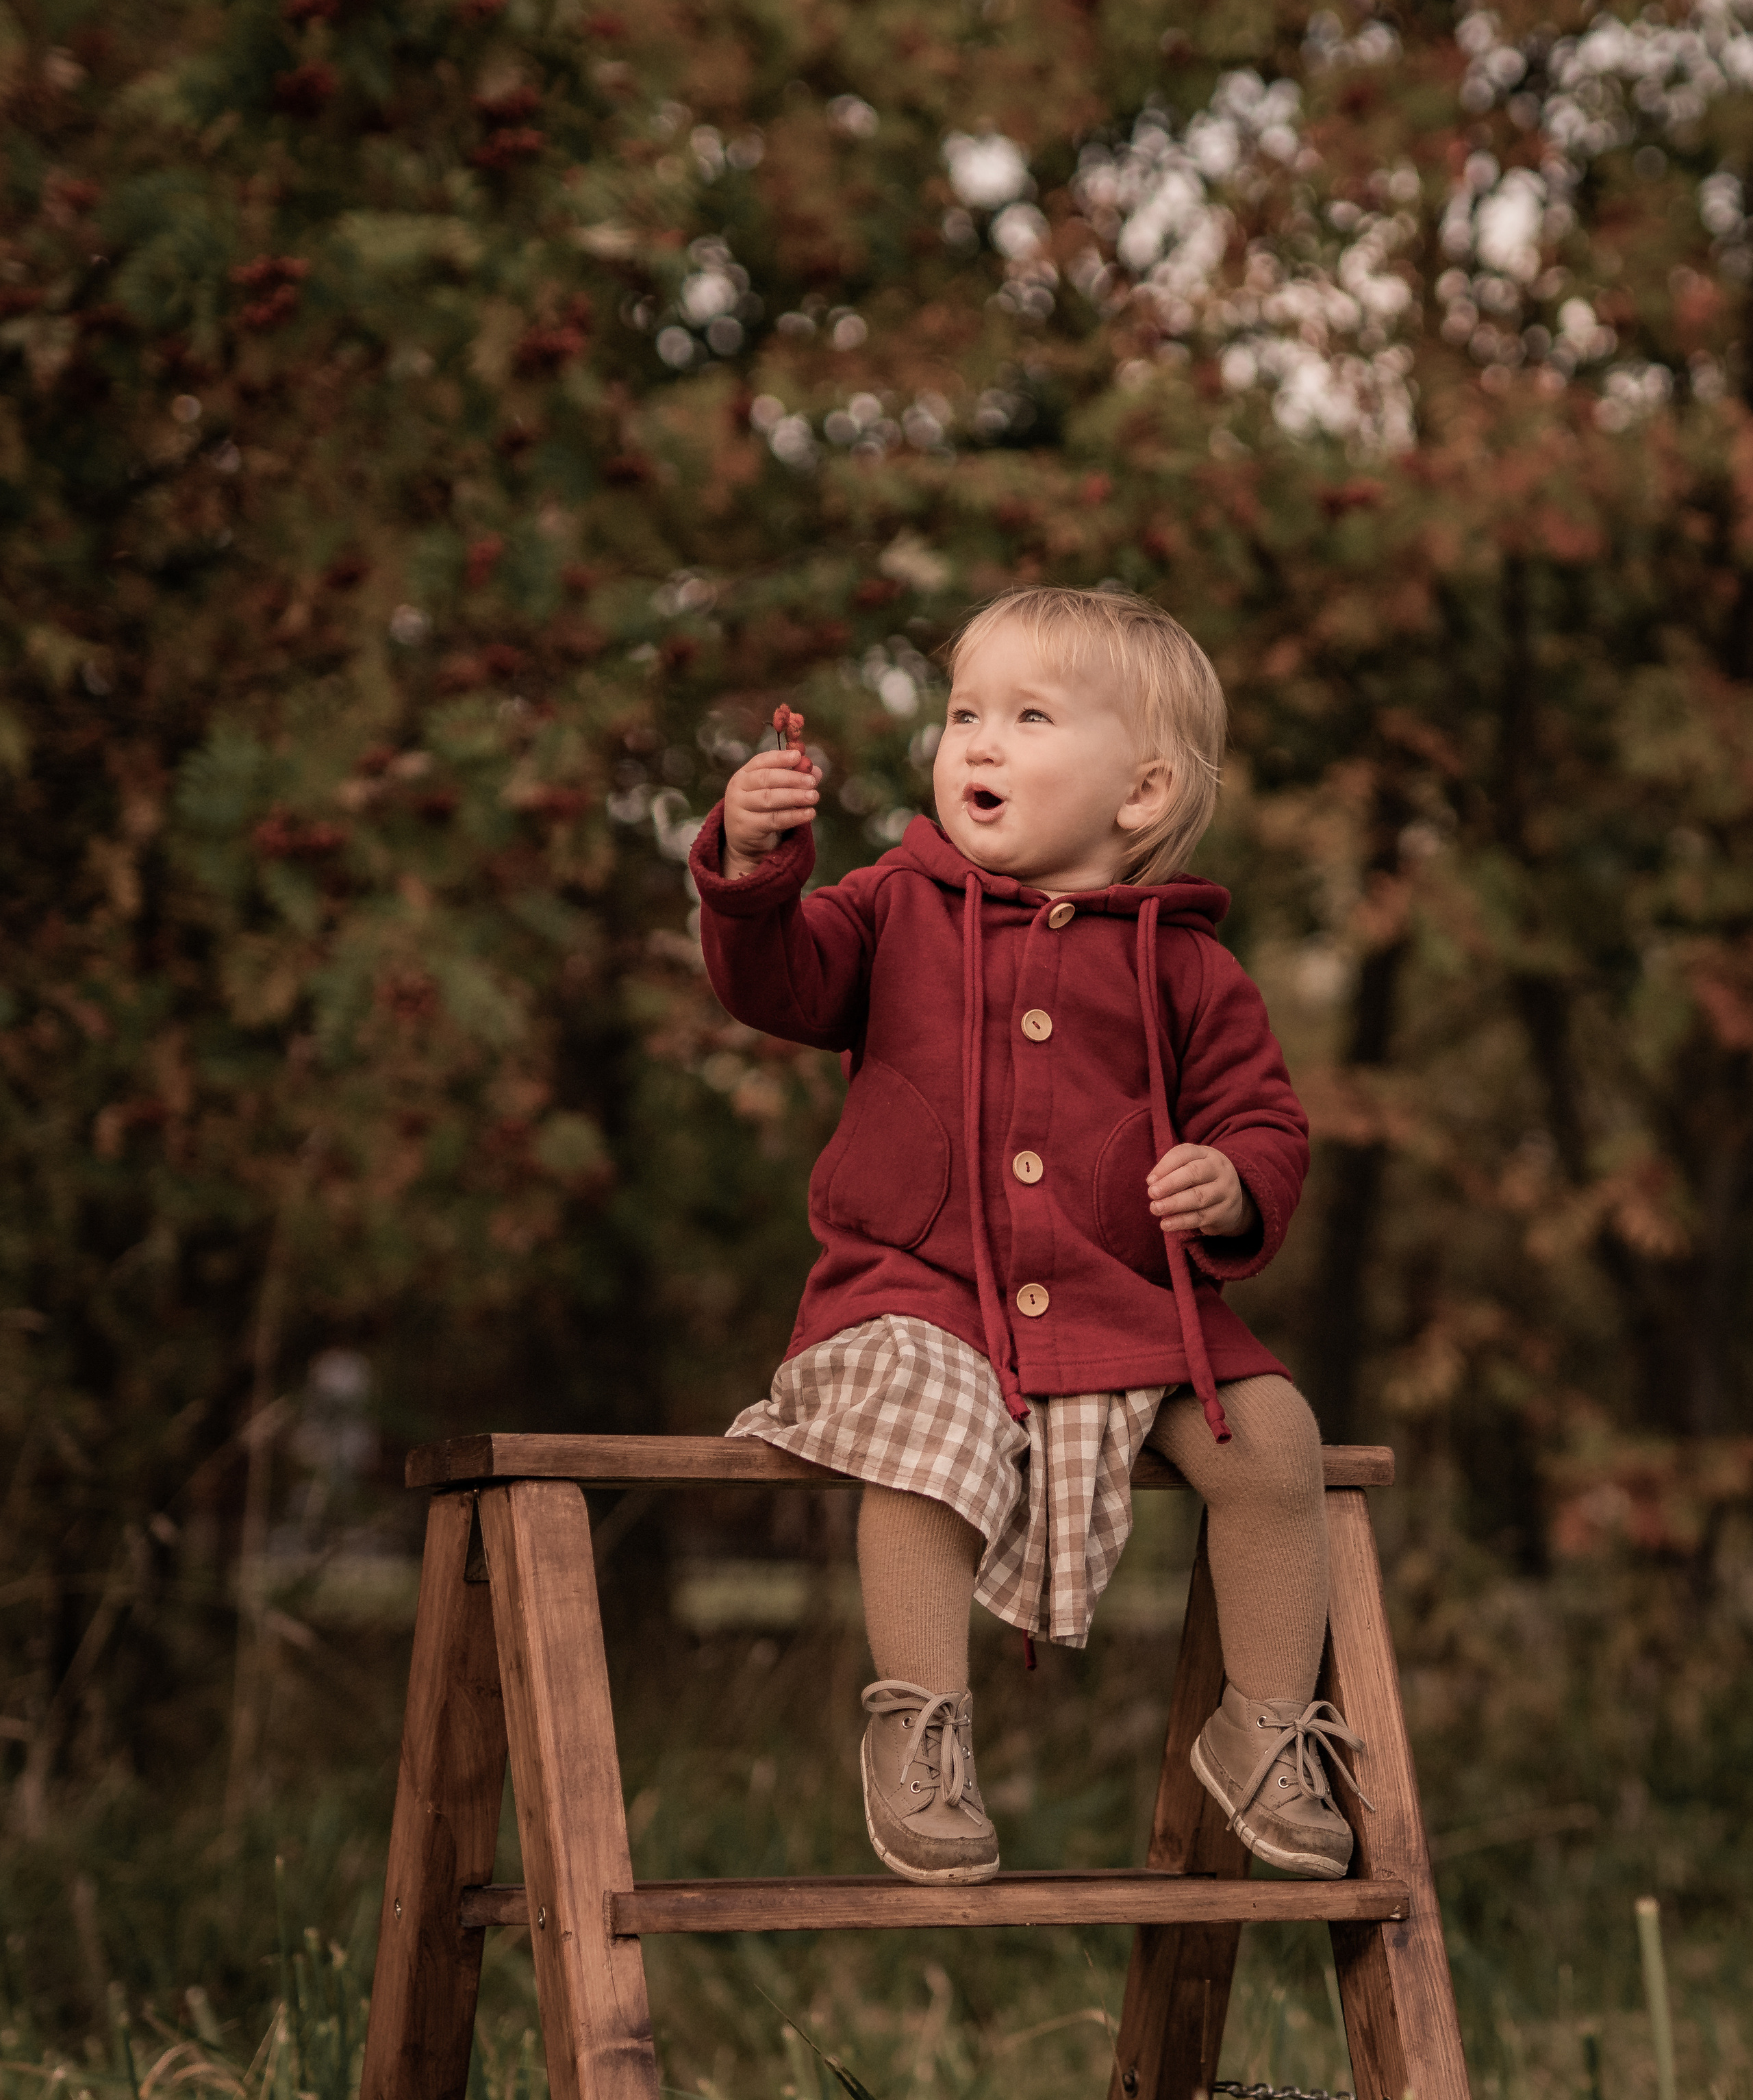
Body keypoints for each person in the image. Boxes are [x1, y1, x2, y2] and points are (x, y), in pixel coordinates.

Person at [686, 585, 1367, 1888]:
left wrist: (1229, 1181)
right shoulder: (895, 904)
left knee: (1276, 1436)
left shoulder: (1189, 966)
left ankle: (1265, 1728)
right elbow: (775, 981)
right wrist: (749, 862)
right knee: (925, 1429)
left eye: (1028, 717)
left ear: (1143, 793)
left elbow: (1266, 1119)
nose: (976, 744)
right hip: (922, 1287)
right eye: (963, 715)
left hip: (1129, 1303)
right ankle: (923, 1727)